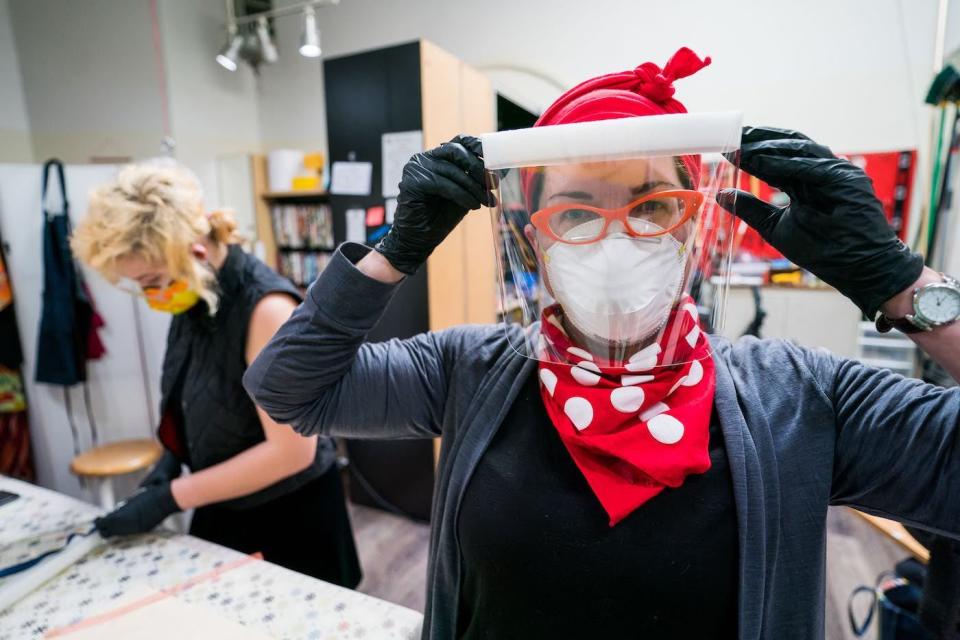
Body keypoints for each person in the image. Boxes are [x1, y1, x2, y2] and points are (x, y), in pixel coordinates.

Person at [243, 48, 960, 639]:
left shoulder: (802, 396)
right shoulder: (472, 369)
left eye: (651, 205)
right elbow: (290, 389)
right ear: (535, 237)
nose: (616, 238)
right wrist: (391, 253)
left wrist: (905, 285)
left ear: (689, 228)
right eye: (576, 213)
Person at [71, 163, 361, 587]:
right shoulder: (194, 294)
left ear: (195, 251)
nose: (151, 295)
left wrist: (168, 499)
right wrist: (172, 459)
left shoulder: (266, 311)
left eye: (152, 280)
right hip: (225, 500)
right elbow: (196, 390)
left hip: (290, 517)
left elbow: (292, 453)